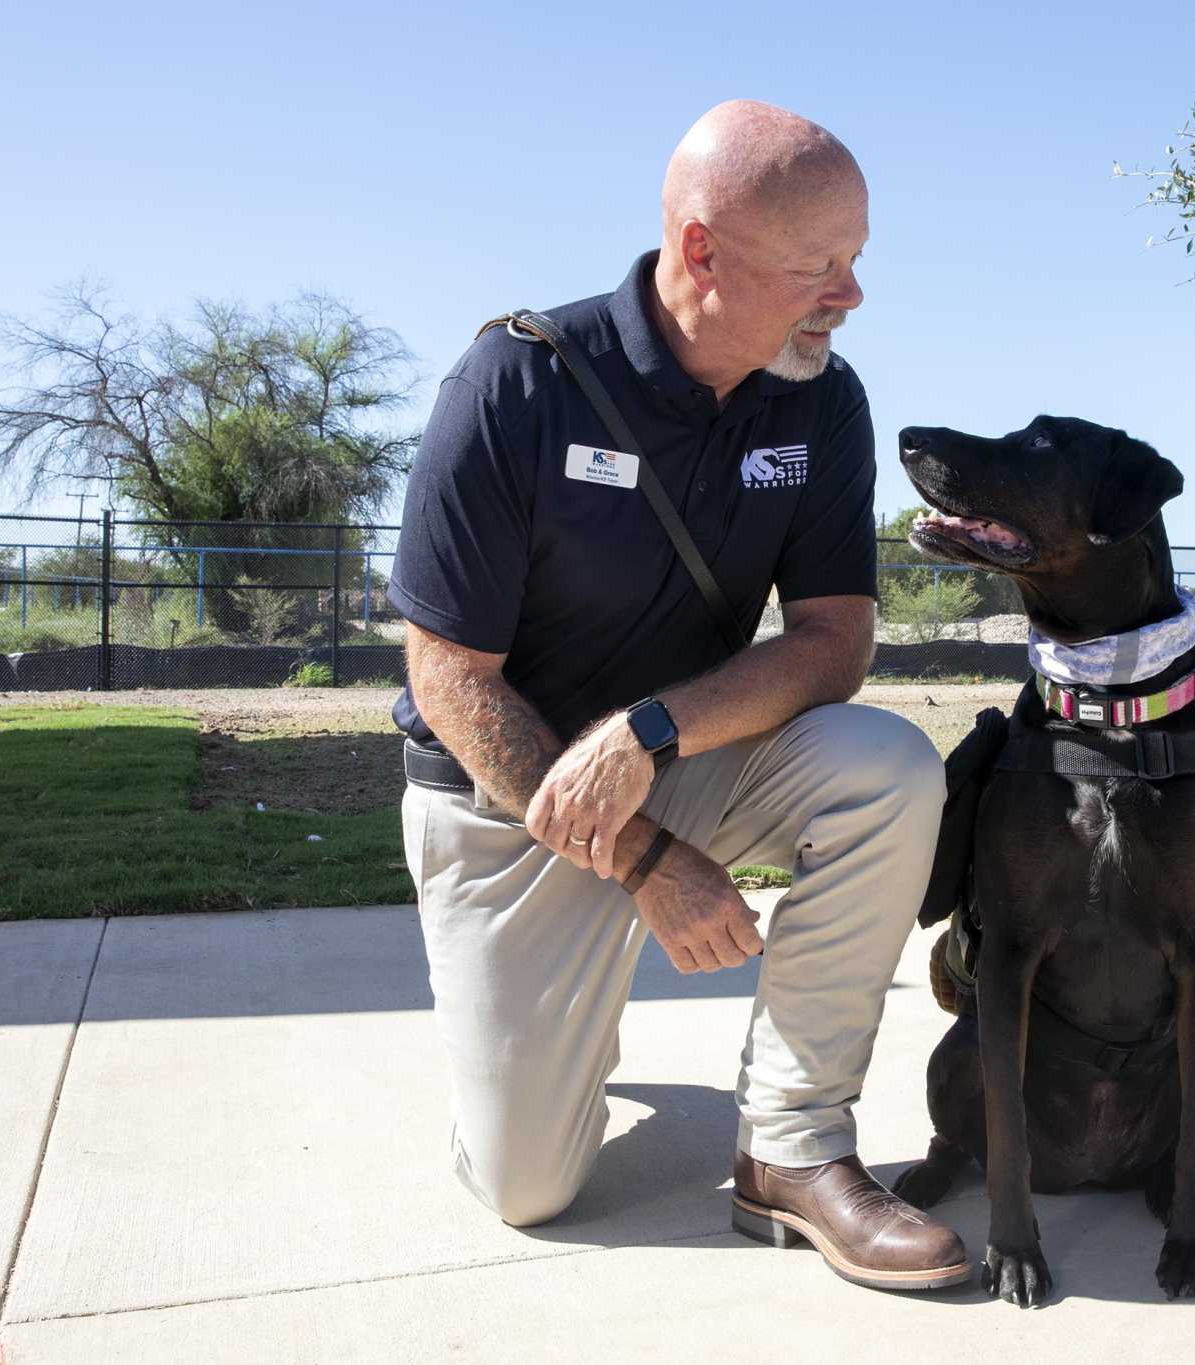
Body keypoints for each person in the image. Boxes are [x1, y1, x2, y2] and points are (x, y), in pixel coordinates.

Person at [389, 100, 967, 1291]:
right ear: (701, 250)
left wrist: (652, 736)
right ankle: (517, 1057)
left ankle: (792, 1150)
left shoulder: (819, 399)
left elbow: (829, 644)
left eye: (855, 260)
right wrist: (645, 859)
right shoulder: (519, 380)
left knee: (886, 765)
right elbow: (449, 679)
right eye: (818, 265)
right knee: (528, 1188)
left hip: (677, 759)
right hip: (509, 807)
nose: (848, 295)